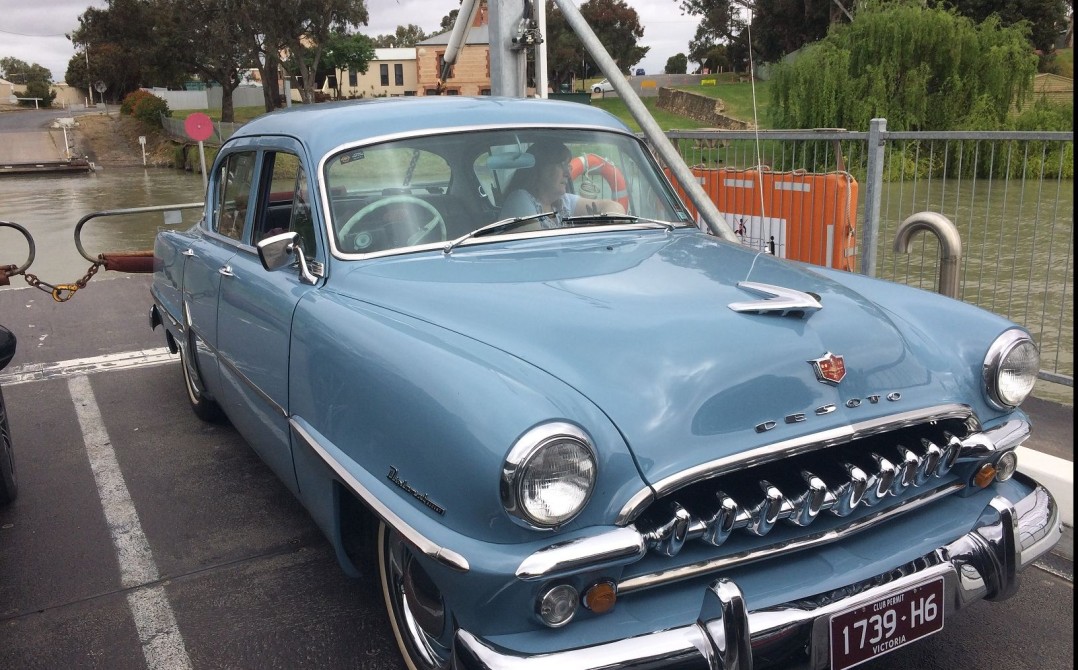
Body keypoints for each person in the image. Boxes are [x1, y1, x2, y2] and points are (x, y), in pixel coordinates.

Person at [499, 141, 625, 228]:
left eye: (568, 167)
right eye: (561, 165)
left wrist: (602, 225)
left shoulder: (563, 202)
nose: (567, 174)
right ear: (541, 168)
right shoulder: (520, 199)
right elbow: (540, 248)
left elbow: (615, 207)